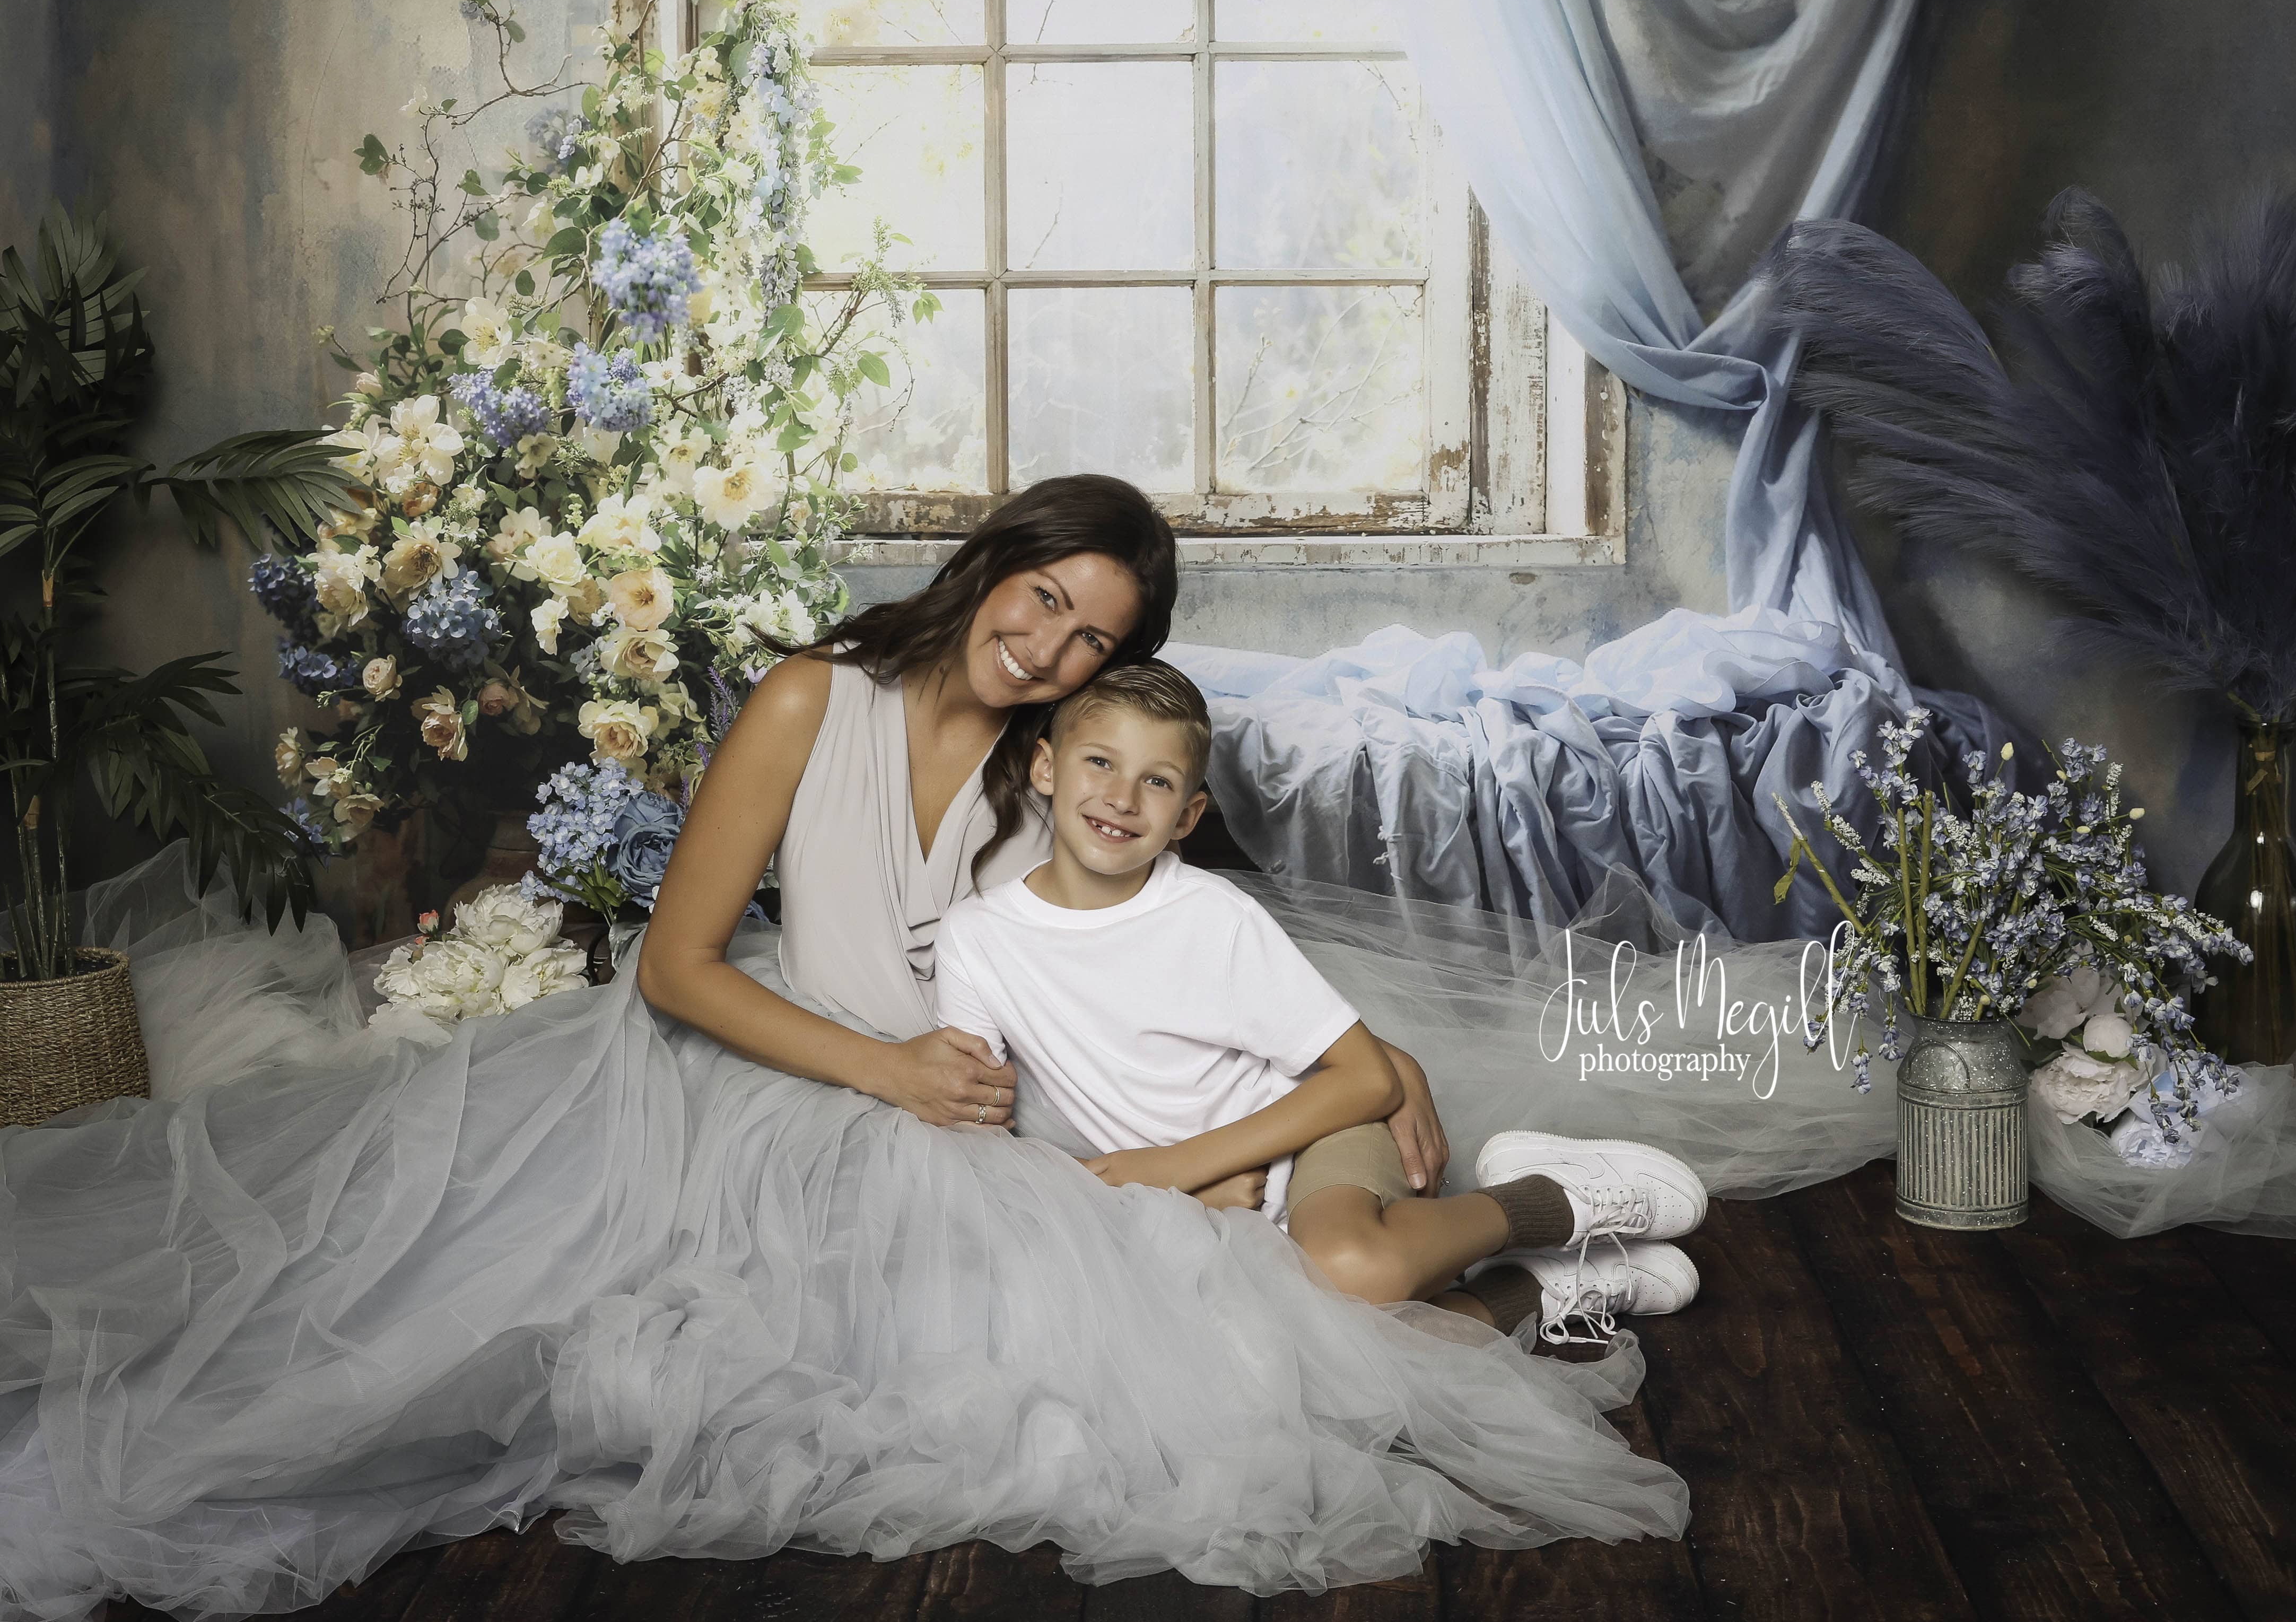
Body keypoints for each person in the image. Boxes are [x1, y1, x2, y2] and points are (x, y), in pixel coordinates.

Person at [0, 475, 1687, 1621]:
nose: (1049, 647)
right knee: (488, 1326)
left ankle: (1544, 1252)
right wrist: (882, 1074)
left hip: (986, 1120)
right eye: (1041, 600)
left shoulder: (1058, 766)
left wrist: (1377, 1052)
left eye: (1092, 635)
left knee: (1193, 1356)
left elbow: (1170, 923)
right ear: (987, 566)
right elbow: (672, 963)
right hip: (794, 1077)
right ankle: (1543, 1258)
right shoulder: (815, 697)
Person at [934, 659, 1705, 1346]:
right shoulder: (976, 938)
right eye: (1099, 762)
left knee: (1347, 1270)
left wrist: (1177, 1166)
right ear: (1045, 767)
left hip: (1315, 1134)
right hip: (1197, 1198)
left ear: (1188, 818)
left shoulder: (1213, 916)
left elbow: (1368, 1080)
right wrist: (1180, 1192)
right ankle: (1538, 1291)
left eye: (1158, 781)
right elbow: (978, 1133)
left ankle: (1553, 1199)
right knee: (1302, 1357)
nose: (1122, 797)